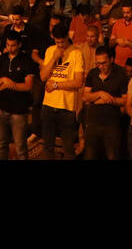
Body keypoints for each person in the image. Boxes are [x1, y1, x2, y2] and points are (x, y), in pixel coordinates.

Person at [39, 21, 85, 159]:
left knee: (68, 147)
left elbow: (78, 82)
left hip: (67, 107)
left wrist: (56, 85)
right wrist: (54, 58)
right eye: (57, 42)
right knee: (47, 146)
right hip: (48, 105)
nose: (60, 45)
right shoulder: (50, 51)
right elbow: (43, 77)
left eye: (62, 42)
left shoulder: (76, 52)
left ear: (67, 37)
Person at [0, 29, 35, 160]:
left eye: (13, 45)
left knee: (20, 147)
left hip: (18, 112)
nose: (10, 48)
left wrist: (10, 84)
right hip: (0, 108)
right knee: (0, 144)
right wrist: (2, 80)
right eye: (8, 45)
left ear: (19, 44)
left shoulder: (26, 61)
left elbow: (28, 86)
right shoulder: (1, 59)